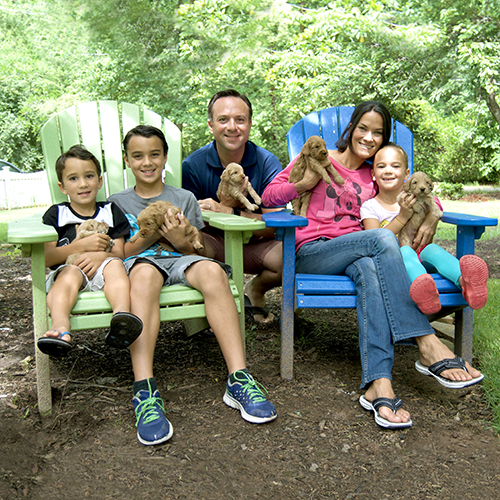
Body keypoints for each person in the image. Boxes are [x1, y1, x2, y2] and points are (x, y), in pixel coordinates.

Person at [261, 101, 484, 430]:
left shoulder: (376, 170)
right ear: (350, 128)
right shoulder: (317, 158)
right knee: (382, 238)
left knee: (370, 264)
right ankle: (426, 342)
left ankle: (378, 384)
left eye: (378, 132)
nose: (368, 137)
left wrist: (434, 213)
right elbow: (270, 196)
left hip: (360, 254)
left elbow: (419, 189)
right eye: (363, 128)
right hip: (313, 251)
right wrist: (305, 183)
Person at [108, 125, 277, 447]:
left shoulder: (184, 198)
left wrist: (180, 241)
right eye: (138, 156)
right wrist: (153, 233)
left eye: (154, 154)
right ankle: (144, 389)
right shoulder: (117, 202)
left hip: (181, 260)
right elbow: (120, 252)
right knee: (143, 277)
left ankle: (239, 378)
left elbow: (204, 250)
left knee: (214, 273)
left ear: (165, 157)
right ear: (127, 160)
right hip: (141, 263)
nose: (147, 162)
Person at [182, 89, 283, 323]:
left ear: (249, 124)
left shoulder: (267, 162)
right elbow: (190, 227)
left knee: (291, 254)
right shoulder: (193, 166)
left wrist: (228, 210)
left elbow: (276, 224)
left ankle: (255, 289)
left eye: (240, 119)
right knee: (188, 246)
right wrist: (225, 204)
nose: (232, 127)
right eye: (223, 119)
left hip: (257, 244)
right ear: (210, 125)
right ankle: (206, 306)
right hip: (214, 246)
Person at [37, 145, 143, 357]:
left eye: (89, 176)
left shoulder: (110, 211)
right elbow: (46, 258)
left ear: (100, 180)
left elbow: (120, 253)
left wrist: (102, 255)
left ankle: (122, 317)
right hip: (68, 272)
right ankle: (60, 327)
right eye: (73, 178)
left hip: (104, 272)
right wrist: (78, 247)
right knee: (68, 273)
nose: (83, 184)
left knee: (115, 265)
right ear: (63, 186)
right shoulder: (56, 214)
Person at [360, 143, 489, 315]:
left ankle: (468, 282)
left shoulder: (419, 197)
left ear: (407, 174)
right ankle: (425, 290)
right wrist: (402, 217)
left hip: (422, 255)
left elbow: (434, 203)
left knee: (433, 249)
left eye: (395, 166)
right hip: (395, 262)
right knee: (406, 251)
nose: (388, 170)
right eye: (381, 166)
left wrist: (433, 215)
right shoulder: (370, 207)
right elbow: (374, 239)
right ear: (373, 174)